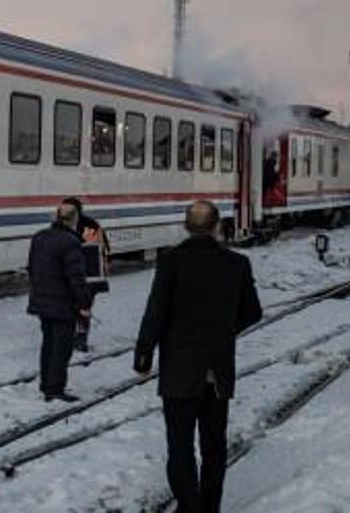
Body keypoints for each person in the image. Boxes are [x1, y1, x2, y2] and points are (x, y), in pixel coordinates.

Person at [134, 200, 263, 513]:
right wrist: (223, 331)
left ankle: (188, 507)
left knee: (179, 444)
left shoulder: (170, 261)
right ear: (218, 226)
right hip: (216, 371)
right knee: (213, 445)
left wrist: (144, 354)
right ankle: (210, 507)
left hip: (179, 369)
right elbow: (253, 312)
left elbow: (156, 312)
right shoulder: (237, 263)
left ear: (186, 226)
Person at [27, 201, 91, 402]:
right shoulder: (71, 242)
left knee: (48, 344)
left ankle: (46, 384)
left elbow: (31, 268)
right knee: (61, 349)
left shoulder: (39, 237)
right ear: (75, 218)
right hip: (63, 304)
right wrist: (84, 304)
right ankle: (55, 389)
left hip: (42, 301)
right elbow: (76, 278)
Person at [63, 197, 110, 353]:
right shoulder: (91, 224)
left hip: (82, 275)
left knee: (77, 307)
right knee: (83, 307)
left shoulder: (65, 226)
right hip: (89, 275)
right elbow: (105, 249)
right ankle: (80, 337)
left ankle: (77, 338)